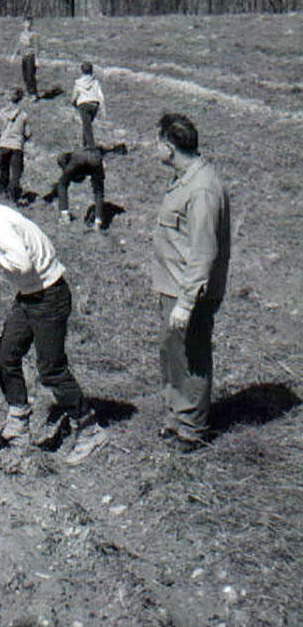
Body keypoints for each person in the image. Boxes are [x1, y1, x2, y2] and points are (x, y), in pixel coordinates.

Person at [0, 205, 107, 461]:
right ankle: (18, 423)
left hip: (49, 295)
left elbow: (23, 264)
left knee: (51, 370)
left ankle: (90, 428)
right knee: (6, 354)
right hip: (29, 297)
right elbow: (10, 252)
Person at [153, 113, 230, 450]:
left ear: (169, 147)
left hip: (189, 291)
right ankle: (176, 415)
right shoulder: (185, 179)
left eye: (158, 141)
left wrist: (186, 302)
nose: (155, 147)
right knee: (173, 353)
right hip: (173, 285)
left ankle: (192, 430)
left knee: (192, 356)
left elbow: (203, 251)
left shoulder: (202, 190)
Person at [53, 144, 128, 230]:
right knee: (98, 192)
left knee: (62, 183)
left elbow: (61, 158)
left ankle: (64, 216)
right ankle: (97, 222)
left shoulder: (70, 158)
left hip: (80, 158)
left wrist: (66, 170)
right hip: (95, 159)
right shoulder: (92, 157)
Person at [0, 87, 31, 203]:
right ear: (20, 99)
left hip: (3, 145)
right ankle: (13, 194)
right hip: (17, 146)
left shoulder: (2, 114)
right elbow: (28, 133)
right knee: (16, 173)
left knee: (4, 170)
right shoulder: (23, 115)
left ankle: (3, 192)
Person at [71, 62, 104, 147]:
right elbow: (100, 94)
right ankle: (84, 145)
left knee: (87, 126)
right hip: (94, 104)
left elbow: (74, 95)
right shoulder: (95, 82)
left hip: (84, 105)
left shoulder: (78, 83)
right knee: (87, 125)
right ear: (92, 71)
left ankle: (91, 148)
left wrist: (73, 102)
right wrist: (101, 106)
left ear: (81, 71)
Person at [14, 18, 39, 97]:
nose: (27, 25)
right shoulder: (21, 34)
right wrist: (14, 55)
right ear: (23, 24)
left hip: (31, 57)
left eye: (29, 23)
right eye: (26, 23)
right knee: (25, 76)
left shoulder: (34, 34)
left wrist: (37, 59)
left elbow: (36, 47)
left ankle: (34, 94)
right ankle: (29, 92)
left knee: (30, 75)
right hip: (24, 57)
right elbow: (18, 45)